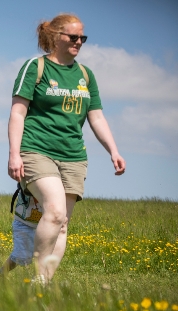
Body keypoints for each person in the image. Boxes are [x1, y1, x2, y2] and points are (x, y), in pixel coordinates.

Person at [7, 13, 126, 282]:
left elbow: (96, 116)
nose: (79, 42)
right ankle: (37, 276)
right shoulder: (35, 67)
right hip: (36, 149)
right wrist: (14, 154)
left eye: (82, 37)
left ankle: (42, 284)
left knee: (62, 225)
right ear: (55, 37)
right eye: (73, 37)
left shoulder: (85, 75)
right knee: (55, 211)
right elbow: (17, 113)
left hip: (73, 155)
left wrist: (114, 151)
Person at [0, 188, 43, 276]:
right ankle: (1, 273)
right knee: (21, 255)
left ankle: (42, 278)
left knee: (44, 253)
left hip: (42, 225)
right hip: (23, 224)